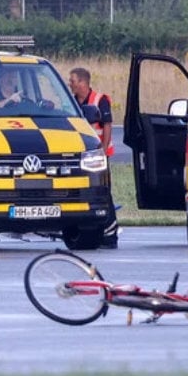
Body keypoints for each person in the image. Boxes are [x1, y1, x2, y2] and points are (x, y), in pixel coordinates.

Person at [68, 67, 119, 247]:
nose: (70, 84)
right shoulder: (72, 102)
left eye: (72, 81)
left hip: (97, 155)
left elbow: (107, 125)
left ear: (83, 82)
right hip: (80, 155)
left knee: (104, 193)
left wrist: (103, 151)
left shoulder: (100, 100)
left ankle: (110, 234)